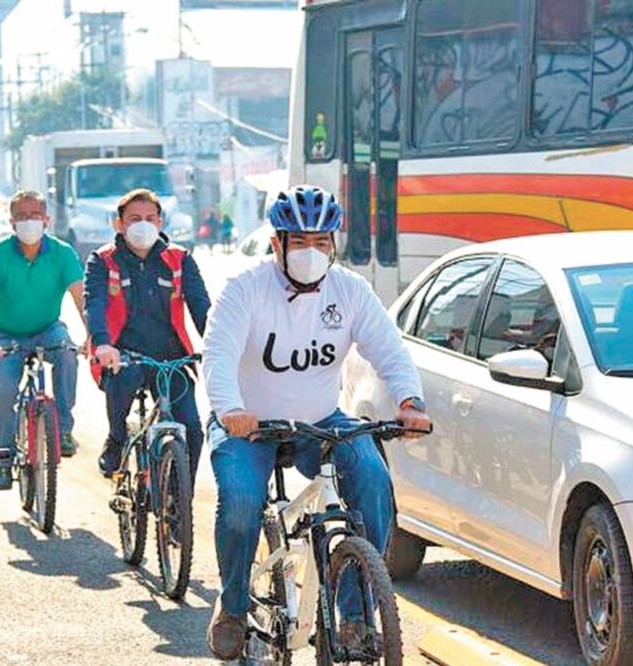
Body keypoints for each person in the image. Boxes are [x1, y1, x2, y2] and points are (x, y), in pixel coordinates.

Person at [201, 185, 432, 659]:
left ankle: (353, 616)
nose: (312, 252)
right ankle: (233, 606)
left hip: (320, 419)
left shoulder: (349, 291)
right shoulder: (244, 289)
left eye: (321, 241)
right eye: (300, 242)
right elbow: (218, 355)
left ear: (334, 244)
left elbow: (388, 349)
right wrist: (230, 409)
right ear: (277, 244)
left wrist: (410, 400)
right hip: (249, 423)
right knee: (243, 503)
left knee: (372, 478)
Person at [84, 188, 211, 480]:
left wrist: (218, 344)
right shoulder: (102, 260)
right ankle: (116, 439)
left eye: (150, 218)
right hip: (124, 356)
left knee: (191, 428)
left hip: (172, 358)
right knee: (122, 384)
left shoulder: (180, 259)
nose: (143, 224)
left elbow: (202, 307)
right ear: (119, 224)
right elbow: (95, 303)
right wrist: (103, 344)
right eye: (134, 218)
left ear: (160, 222)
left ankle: (180, 501)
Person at [0, 190, 85, 490]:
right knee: (5, 391)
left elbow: (81, 298)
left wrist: (94, 336)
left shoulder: (63, 253)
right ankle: (3, 458)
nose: (29, 222)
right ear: (12, 222)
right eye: (21, 216)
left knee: (67, 353)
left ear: (46, 220)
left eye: (35, 215)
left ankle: (62, 429)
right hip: (4, 334)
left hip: (48, 328)